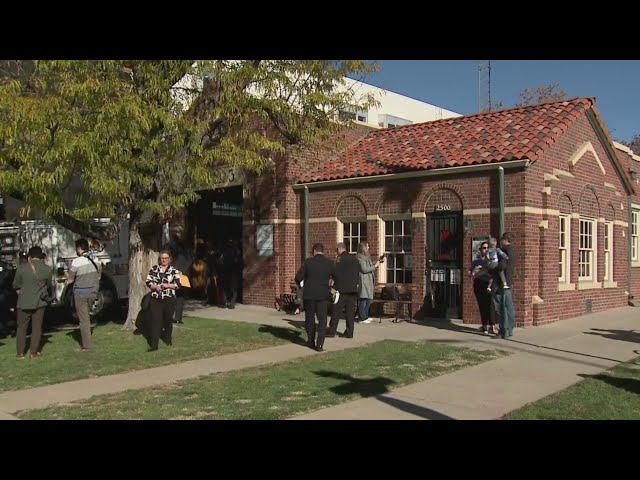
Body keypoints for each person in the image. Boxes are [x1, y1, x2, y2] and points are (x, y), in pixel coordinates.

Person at [12, 246, 52, 358]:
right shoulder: (47, 269)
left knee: (21, 328)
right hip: (39, 302)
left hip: (23, 301)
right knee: (37, 328)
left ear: (30, 256)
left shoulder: (21, 268)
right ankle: (33, 352)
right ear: (41, 257)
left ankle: (20, 353)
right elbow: (48, 286)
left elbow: (16, 284)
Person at [294, 243, 335, 352]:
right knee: (322, 320)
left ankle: (311, 341)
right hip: (323, 294)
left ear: (314, 251)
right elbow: (336, 276)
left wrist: (300, 284)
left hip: (309, 294)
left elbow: (298, 277)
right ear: (323, 251)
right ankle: (320, 344)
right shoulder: (329, 263)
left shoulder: (308, 262)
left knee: (310, 318)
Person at [67, 238, 101, 352]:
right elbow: (99, 275)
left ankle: (86, 346)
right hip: (93, 292)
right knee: (87, 316)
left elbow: (71, 279)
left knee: (84, 319)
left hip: (81, 293)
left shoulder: (76, 262)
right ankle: (87, 342)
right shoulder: (96, 259)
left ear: (79, 248)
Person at [145, 250, 182, 351]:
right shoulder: (154, 269)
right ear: (160, 259)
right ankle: (154, 345)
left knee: (167, 320)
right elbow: (148, 281)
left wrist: (168, 285)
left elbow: (178, 284)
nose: (164, 260)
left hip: (169, 299)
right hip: (156, 299)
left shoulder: (174, 270)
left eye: (166, 258)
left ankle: (168, 339)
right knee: (156, 321)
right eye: (162, 258)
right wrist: (155, 287)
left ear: (169, 259)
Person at [327, 242, 360, 338]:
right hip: (353, 289)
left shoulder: (339, 259)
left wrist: (333, 281)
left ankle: (332, 331)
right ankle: (350, 332)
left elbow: (335, 272)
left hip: (341, 289)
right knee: (350, 312)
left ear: (338, 249)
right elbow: (358, 273)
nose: (336, 253)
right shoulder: (354, 258)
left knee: (336, 311)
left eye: (336, 250)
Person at [163, 233, 193, 323]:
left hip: (174, 272)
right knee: (179, 296)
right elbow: (189, 260)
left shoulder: (169, 246)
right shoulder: (186, 247)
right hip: (181, 273)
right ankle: (176, 317)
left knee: (172, 295)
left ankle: (171, 316)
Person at [492, 232, 517, 339]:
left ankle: (503, 331)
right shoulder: (513, 251)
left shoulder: (504, 251)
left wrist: (493, 267)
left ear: (505, 240)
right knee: (509, 307)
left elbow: (501, 266)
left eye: (502, 239)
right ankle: (510, 329)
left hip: (501, 283)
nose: (501, 242)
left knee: (501, 308)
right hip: (508, 282)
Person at [469, 241, 496, 334]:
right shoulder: (476, 261)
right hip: (478, 284)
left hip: (488, 284)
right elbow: (470, 274)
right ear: (480, 250)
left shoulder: (491, 261)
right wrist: (474, 272)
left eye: (487, 248)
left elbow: (494, 273)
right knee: (482, 305)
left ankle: (492, 326)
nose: (486, 250)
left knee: (490, 305)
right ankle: (484, 325)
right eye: (484, 248)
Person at [356, 241, 384, 324]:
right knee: (363, 299)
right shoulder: (359, 258)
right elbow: (364, 269)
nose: (368, 248)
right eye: (367, 246)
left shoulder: (366, 257)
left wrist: (377, 261)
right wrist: (375, 266)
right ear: (363, 247)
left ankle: (365, 316)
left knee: (368, 299)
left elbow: (369, 265)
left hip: (369, 280)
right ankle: (362, 317)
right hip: (363, 280)